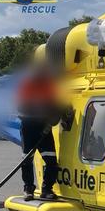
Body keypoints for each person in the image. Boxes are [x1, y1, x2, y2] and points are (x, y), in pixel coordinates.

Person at [16, 61, 61, 201]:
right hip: (29, 128)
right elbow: (22, 107)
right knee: (27, 160)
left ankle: (47, 189)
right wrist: (43, 110)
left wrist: (55, 116)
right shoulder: (27, 84)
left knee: (51, 160)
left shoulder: (49, 85)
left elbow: (55, 105)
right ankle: (28, 188)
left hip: (44, 129)